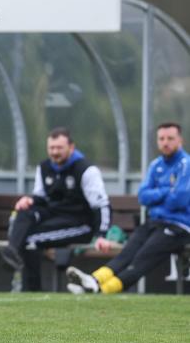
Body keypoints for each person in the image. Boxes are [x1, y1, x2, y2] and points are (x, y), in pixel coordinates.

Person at [67, 122, 190, 294]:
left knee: (142, 258)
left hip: (179, 227)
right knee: (127, 253)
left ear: (180, 140)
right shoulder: (156, 165)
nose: (165, 142)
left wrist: (157, 198)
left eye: (170, 138)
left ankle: (102, 290)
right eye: (161, 138)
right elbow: (143, 196)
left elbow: (180, 200)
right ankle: (94, 280)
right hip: (155, 222)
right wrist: (166, 191)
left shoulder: (186, 164)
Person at [0, 127, 111, 292]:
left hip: (79, 224)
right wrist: (29, 200)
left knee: (29, 239)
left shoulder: (86, 170)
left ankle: (29, 288)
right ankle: (12, 254)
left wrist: (101, 235)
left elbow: (101, 205)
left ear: (71, 147)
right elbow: (40, 198)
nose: (54, 152)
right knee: (23, 212)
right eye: (51, 148)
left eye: (59, 148)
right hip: (53, 218)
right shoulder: (44, 167)